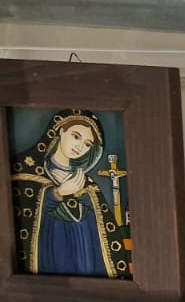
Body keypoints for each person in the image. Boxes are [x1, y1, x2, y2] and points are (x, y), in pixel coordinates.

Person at [10, 111, 126, 278]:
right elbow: (22, 216)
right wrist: (57, 194)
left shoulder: (86, 183)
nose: (80, 147)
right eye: (76, 136)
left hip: (84, 258)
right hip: (48, 256)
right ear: (61, 131)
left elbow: (102, 230)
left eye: (87, 144)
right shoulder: (25, 170)